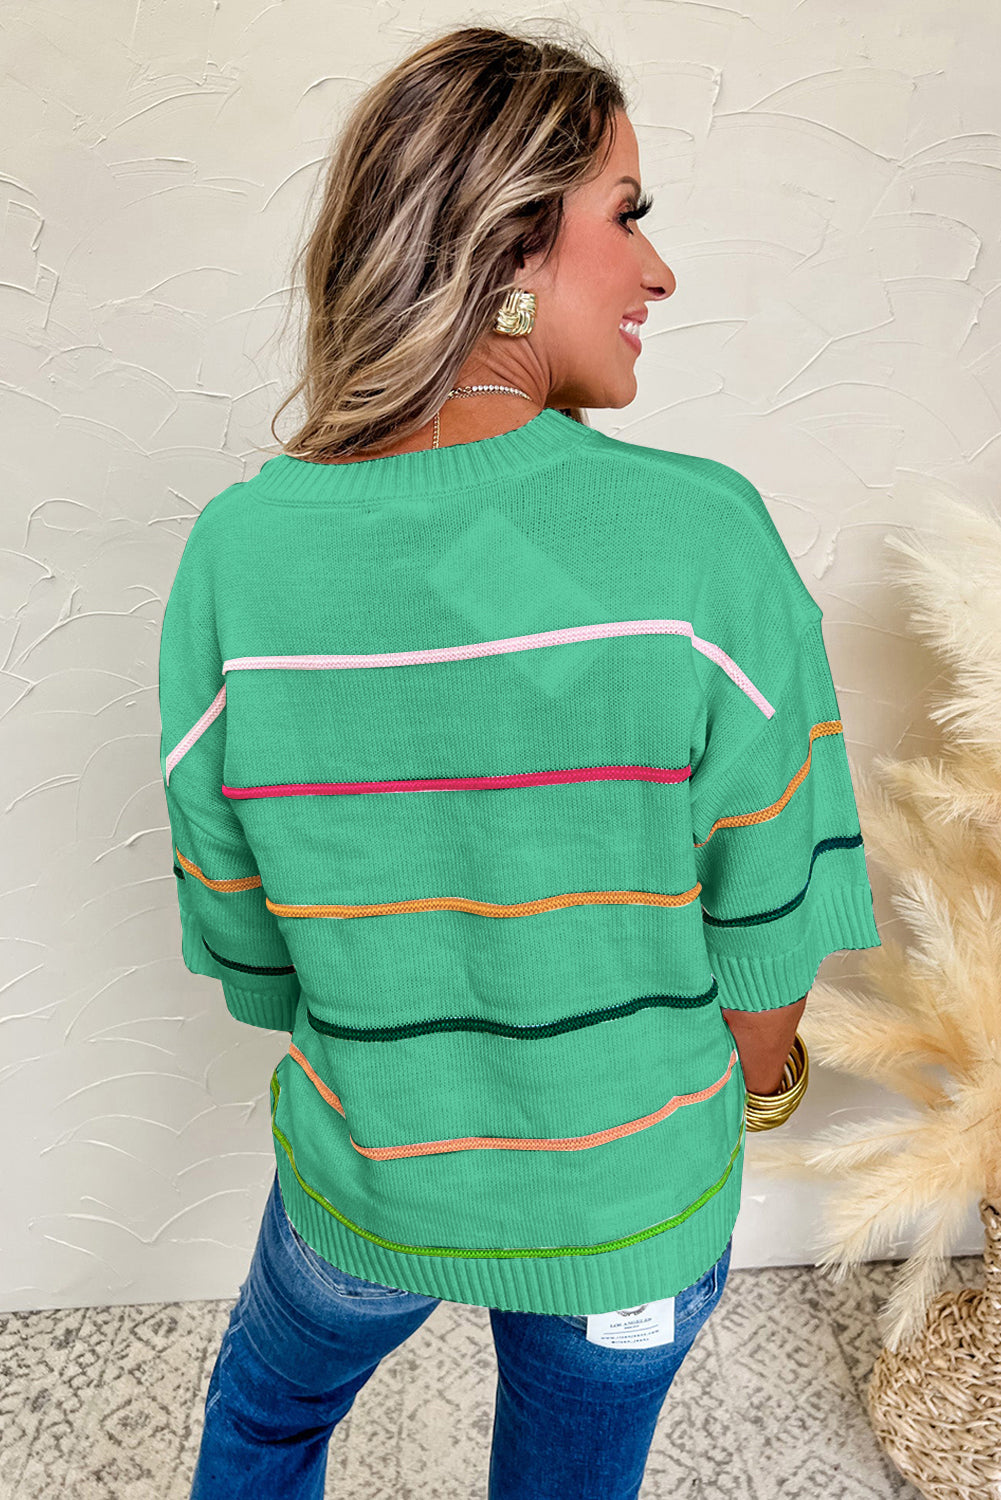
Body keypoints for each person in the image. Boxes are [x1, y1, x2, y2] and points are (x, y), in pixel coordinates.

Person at [158, 23, 882, 1500]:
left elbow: (243, 933)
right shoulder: (701, 539)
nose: (658, 272)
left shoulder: (240, 553)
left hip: (370, 1176)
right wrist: (746, 1094)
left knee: (266, 1427)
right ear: (505, 244)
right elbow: (770, 924)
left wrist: (400, 1028)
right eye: (628, 214)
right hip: (631, 1209)